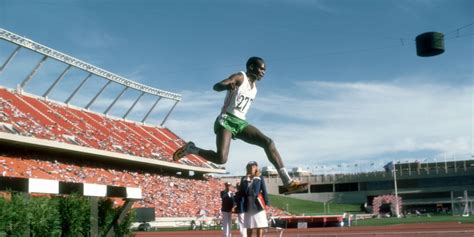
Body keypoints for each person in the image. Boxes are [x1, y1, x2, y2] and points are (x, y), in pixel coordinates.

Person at [173, 56, 307, 194]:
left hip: (241, 122)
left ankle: (287, 182)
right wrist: (226, 85)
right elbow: (216, 86)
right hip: (226, 120)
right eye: (261, 69)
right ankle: (192, 149)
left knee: (268, 143)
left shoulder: (254, 88)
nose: (263, 72)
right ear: (251, 67)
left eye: (264, 70)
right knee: (221, 159)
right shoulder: (240, 77)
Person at [237, 161, 268, 237]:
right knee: (249, 225)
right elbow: (241, 193)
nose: (251, 168)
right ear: (247, 168)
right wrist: (236, 203)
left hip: (258, 204)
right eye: (250, 166)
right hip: (248, 204)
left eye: (253, 166)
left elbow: (264, 191)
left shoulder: (260, 178)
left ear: (256, 168)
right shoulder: (243, 178)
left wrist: (267, 203)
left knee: (259, 225)